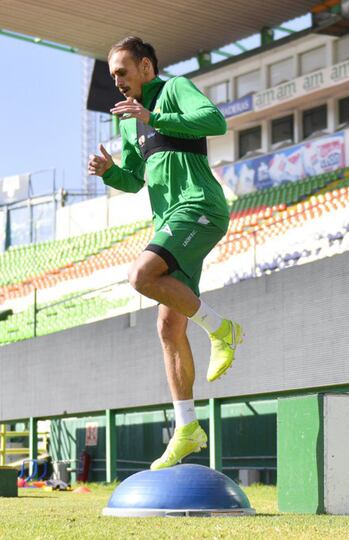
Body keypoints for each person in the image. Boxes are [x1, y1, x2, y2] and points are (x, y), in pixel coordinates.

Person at [88, 36, 243, 470]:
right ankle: (187, 429)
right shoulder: (126, 121)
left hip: (199, 208)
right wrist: (109, 173)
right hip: (169, 221)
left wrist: (153, 114)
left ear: (146, 68)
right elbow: (136, 180)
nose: (117, 81)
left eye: (122, 71)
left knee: (141, 276)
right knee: (169, 329)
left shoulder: (174, 89)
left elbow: (214, 121)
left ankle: (223, 329)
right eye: (112, 74)